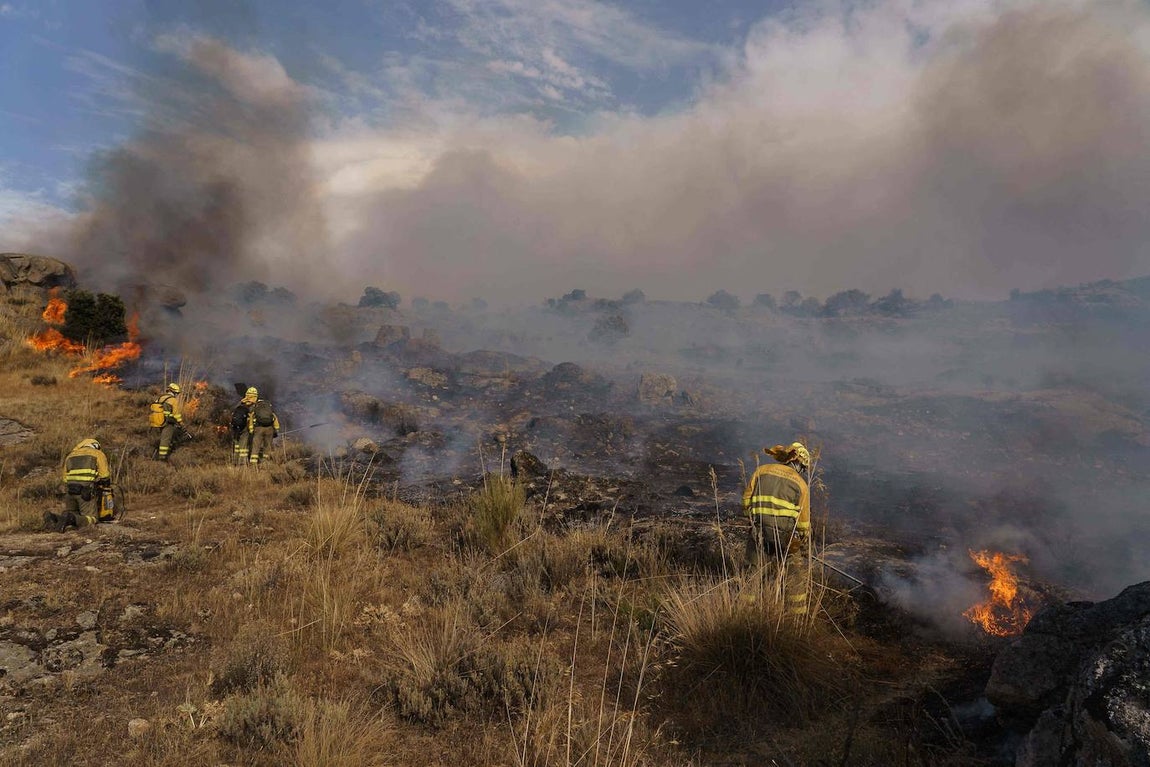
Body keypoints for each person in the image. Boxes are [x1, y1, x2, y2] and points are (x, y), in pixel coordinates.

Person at [743, 441, 812, 616]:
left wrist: (752, 520)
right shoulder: (800, 484)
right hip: (785, 538)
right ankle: (797, 618)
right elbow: (803, 522)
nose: (803, 471)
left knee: (752, 572)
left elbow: (746, 499)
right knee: (795, 576)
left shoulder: (762, 470)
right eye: (803, 467)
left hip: (758, 532)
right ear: (797, 462)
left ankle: (745, 613)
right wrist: (802, 541)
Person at [44, 438, 113, 532]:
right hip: (85, 492)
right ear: (96, 445)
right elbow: (105, 475)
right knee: (92, 519)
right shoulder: (97, 454)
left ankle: (53, 517)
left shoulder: (70, 455)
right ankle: (71, 519)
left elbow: (65, 478)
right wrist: (103, 483)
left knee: (72, 513)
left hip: (70, 491)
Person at [151, 382, 185, 461]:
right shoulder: (173, 400)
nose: (177, 395)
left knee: (163, 438)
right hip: (168, 423)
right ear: (173, 392)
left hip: (159, 421)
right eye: (177, 393)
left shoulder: (161, 397)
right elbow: (176, 414)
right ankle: (162, 458)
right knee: (165, 440)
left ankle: (158, 453)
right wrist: (180, 422)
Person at [247, 394, 280, 465]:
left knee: (256, 446)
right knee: (267, 446)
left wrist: (251, 430)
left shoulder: (256, 407)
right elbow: (275, 418)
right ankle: (265, 462)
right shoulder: (268, 407)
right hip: (269, 429)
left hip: (258, 429)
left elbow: (251, 419)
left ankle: (253, 463)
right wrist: (276, 430)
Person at [231, 387, 258, 464]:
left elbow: (233, 413)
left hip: (236, 426)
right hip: (245, 427)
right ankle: (242, 462)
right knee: (243, 446)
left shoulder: (241, 403)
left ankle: (235, 461)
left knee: (236, 445)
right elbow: (252, 417)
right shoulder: (253, 405)